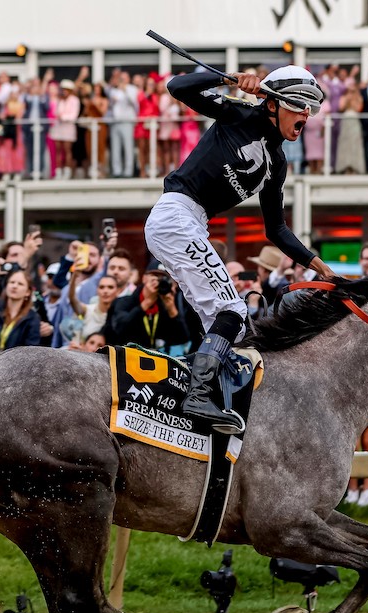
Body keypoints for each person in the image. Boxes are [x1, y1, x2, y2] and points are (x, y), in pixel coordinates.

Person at [144, 65, 332, 433]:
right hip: (176, 213)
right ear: (274, 104)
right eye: (300, 105)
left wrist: (321, 267)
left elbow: (276, 229)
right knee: (231, 308)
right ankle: (198, 398)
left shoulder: (277, 163)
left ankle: (200, 400)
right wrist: (229, 79)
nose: (307, 114)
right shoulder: (238, 113)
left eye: (312, 107)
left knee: (233, 324)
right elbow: (179, 86)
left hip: (192, 223)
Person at [0, 269, 41, 359]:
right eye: (12, 282)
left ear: (28, 292)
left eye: (20, 284)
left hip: (13, 369)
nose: (14, 286)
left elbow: (31, 352)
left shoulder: (32, 318)